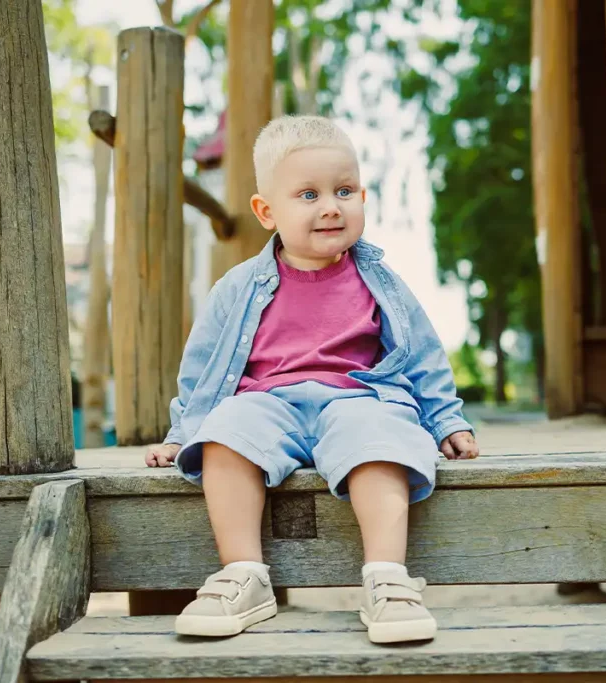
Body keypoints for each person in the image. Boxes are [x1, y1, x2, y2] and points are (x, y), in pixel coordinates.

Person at [145, 114, 479, 644]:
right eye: (308, 194)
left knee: (383, 436)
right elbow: (203, 367)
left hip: (356, 396)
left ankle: (388, 580)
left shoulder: (379, 282)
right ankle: (243, 575)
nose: (330, 206)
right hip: (268, 403)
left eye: (344, 191)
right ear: (266, 211)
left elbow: (423, 355)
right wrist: (183, 432)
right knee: (226, 430)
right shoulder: (240, 286)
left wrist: (445, 421)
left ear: (363, 198)